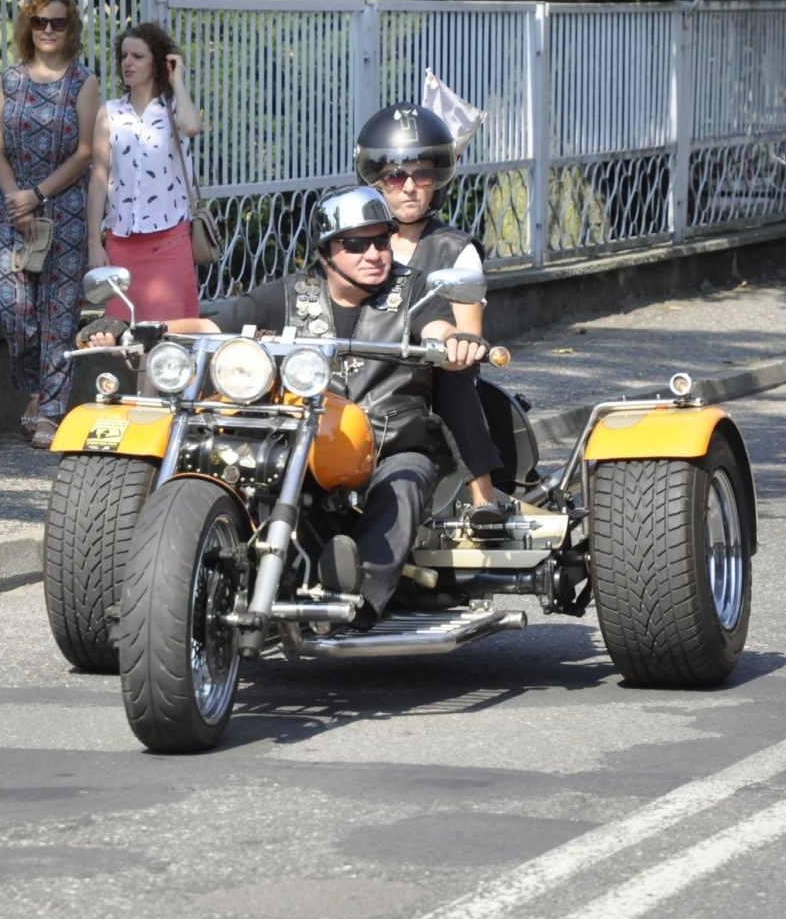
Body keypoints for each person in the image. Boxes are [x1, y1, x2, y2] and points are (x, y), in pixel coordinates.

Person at [82, 186, 488, 627]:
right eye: (355, 243)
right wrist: (137, 328)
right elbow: (209, 325)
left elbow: (440, 328)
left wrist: (453, 342)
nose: (373, 254)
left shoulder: (416, 292)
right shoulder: (289, 293)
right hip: (305, 442)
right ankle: (183, 582)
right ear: (326, 252)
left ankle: (357, 602)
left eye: (381, 241)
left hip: (389, 443)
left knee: (406, 481)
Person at [356, 102, 507, 535]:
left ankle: (484, 497)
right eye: (395, 176)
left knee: (452, 373)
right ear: (376, 180)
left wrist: (455, 344)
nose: (408, 187)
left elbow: (468, 339)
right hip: (362, 362)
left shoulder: (454, 249)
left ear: (437, 179)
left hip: (421, 373)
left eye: (421, 174)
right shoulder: (354, 241)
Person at [0, 0, 101, 449]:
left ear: (69, 28)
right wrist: (18, 199)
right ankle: (37, 387)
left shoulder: (82, 81)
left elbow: (86, 153)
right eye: (40, 22)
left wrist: (38, 195)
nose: (48, 30)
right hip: (13, 210)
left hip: (65, 208)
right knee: (11, 302)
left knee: (59, 311)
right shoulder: (10, 80)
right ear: (28, 28)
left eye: (57, 22)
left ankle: (51, 408)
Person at [87, 22, 204, 324]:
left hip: (170, 241)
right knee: (128, 337)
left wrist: (177, 80)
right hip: (122, 243)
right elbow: (99, 179)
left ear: (158, 61)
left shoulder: (174, 108)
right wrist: (93, 242)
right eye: (124, 56)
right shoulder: (109, 112)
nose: (128, 62)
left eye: (137, 56)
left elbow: (192, 127)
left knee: (173, 336)